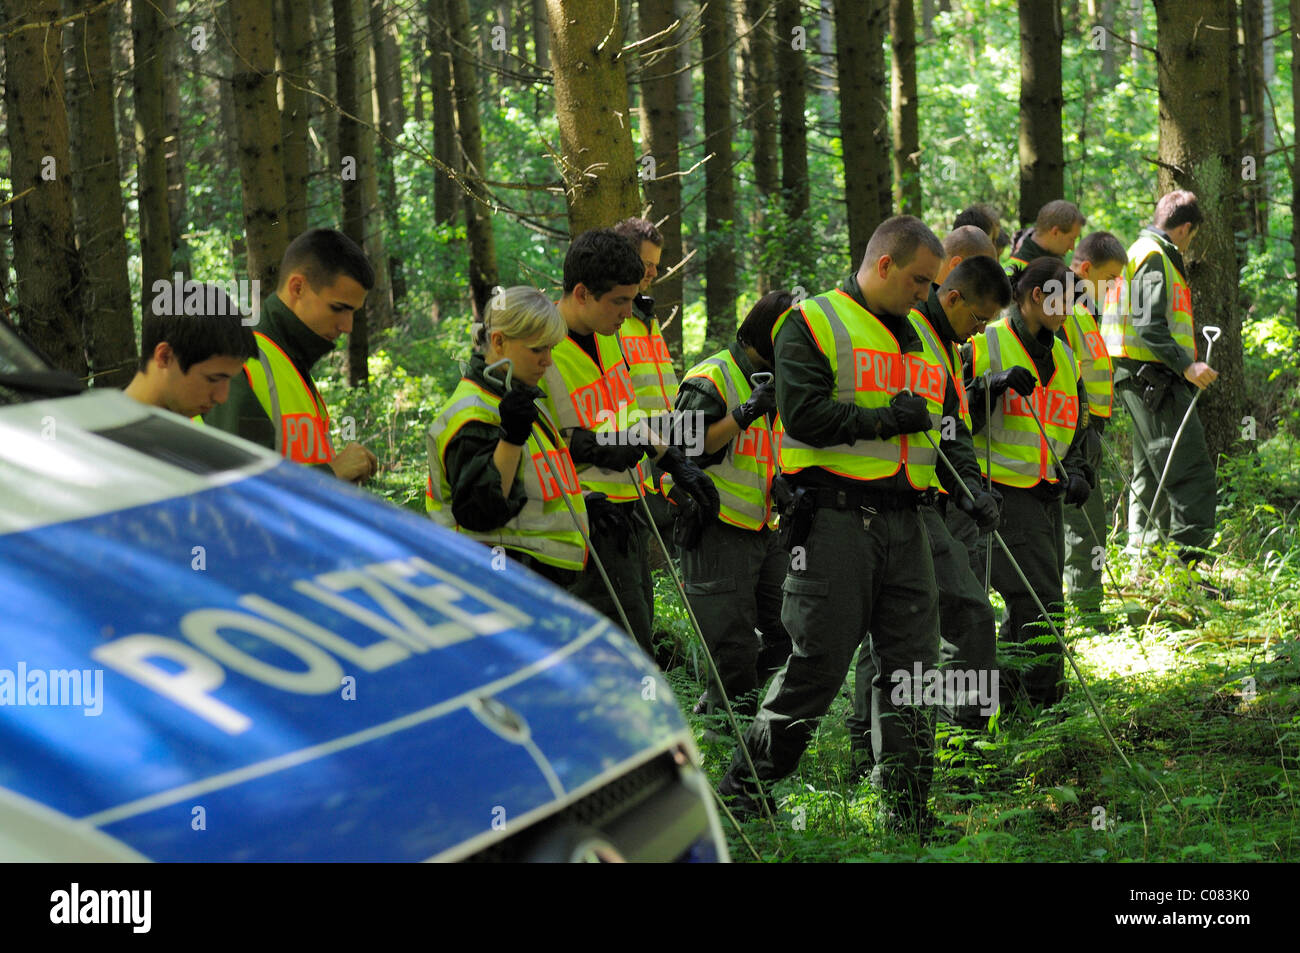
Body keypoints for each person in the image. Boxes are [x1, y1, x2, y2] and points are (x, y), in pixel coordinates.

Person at [717, 215, 947, 834]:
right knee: (816, 666)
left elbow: (939, 421)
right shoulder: (811, 321)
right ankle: (742, 798)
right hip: (837, 523)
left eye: (931, 285)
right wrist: (883, 420)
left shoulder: (921, 334)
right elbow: (802, 416)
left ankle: (907, 810)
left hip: (909, 523)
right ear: (883, 265)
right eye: (919, 281)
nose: (924, 294)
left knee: (915, 669)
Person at [846, 252, 1010, 775]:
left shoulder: (944, 347)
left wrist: (970, 490)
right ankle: (959, 749)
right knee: (964, 614)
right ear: (952, 296)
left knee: (900, 627)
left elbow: (949, 429)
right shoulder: (911, 333)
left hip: (922, 501)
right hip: (886, 503)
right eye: (978, 320)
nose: (979, 332)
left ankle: (881, 750)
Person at [539, 229, 718, 655]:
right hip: (582, 522)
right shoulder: (542, 350)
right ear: (582, 293)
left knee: (638, 627)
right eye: (619, 301)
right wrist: (594, 454)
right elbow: (537, 446)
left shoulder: (609, 337)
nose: (628, 311)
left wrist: (671, 458)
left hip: (627, 510)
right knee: (613, 650)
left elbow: (629, 412)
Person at [964, 257, 1091, 709]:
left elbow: (1078, 423)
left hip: (1045, 497)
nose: (1071, 311)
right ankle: (1045, 706)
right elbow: (951, 419)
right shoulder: (985, 344)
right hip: (996, 493)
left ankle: (1008, 699)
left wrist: (1078, 470)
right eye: (1065, 300)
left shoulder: (1064, 354)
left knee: (1031, 602)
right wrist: (990, 386)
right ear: (1038, 296)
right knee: (1041, 604)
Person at [673, 291, 794, 721]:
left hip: (764, 530)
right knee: (732, 646)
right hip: (716, 530)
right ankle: (726, 735)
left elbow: (765, 452)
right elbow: (684, 450)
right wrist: (744, 411)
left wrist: (782, 483)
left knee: (788, 631)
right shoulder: (712, 376)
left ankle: (725, 703)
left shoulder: (775, 378)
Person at [425, 286, 587, 589]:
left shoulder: (514, 398)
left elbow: (536, 483)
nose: (548, 361)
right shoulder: (475, 413)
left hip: (531, 579)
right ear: (498, 342)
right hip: (494, 582)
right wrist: (510, 438)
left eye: (551, 349)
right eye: (538, 349)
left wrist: (588, 507)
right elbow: (480, 511)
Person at [204, 229, 379, 484]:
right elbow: (236, 487)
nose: (347, 326)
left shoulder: (289, 364)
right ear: (298, 287)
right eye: (338, 308)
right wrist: (331, 474)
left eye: (353, 312)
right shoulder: (239, 362)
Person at [1100, 191, 1218, 568]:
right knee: (1191, 472)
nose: (1188, 242)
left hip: (1138, 376)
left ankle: (1144, 563)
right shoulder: (1153, 256)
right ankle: (1187, 570)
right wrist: (1187, 365)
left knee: (1150, 473)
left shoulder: (1139, 252)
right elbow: (1148, 326)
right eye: (1191, 235)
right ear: (1185, 228)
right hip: (1152, 378)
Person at [1061, 232, 1127, 618]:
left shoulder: (1083, 310)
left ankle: (1085, 604)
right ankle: (1085, 609)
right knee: (1085, 524)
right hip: (1075, 433)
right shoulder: (1066, 308)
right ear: (1085, 269)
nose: (1113, 287)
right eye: (1108, 279)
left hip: (1090, 431)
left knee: (1090, 523)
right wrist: (1081, 426)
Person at [123, 284, 257, 418]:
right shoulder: (107, 433)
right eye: (213, 379)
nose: (222, 397)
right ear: (165, 356)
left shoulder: (187, 427)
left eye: (230, 380)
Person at [1007, 200, 1085, 267]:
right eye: (1072, 239)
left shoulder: (1057, 264)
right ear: (1055, 232)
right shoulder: (1013, 272)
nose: (1072, 247)